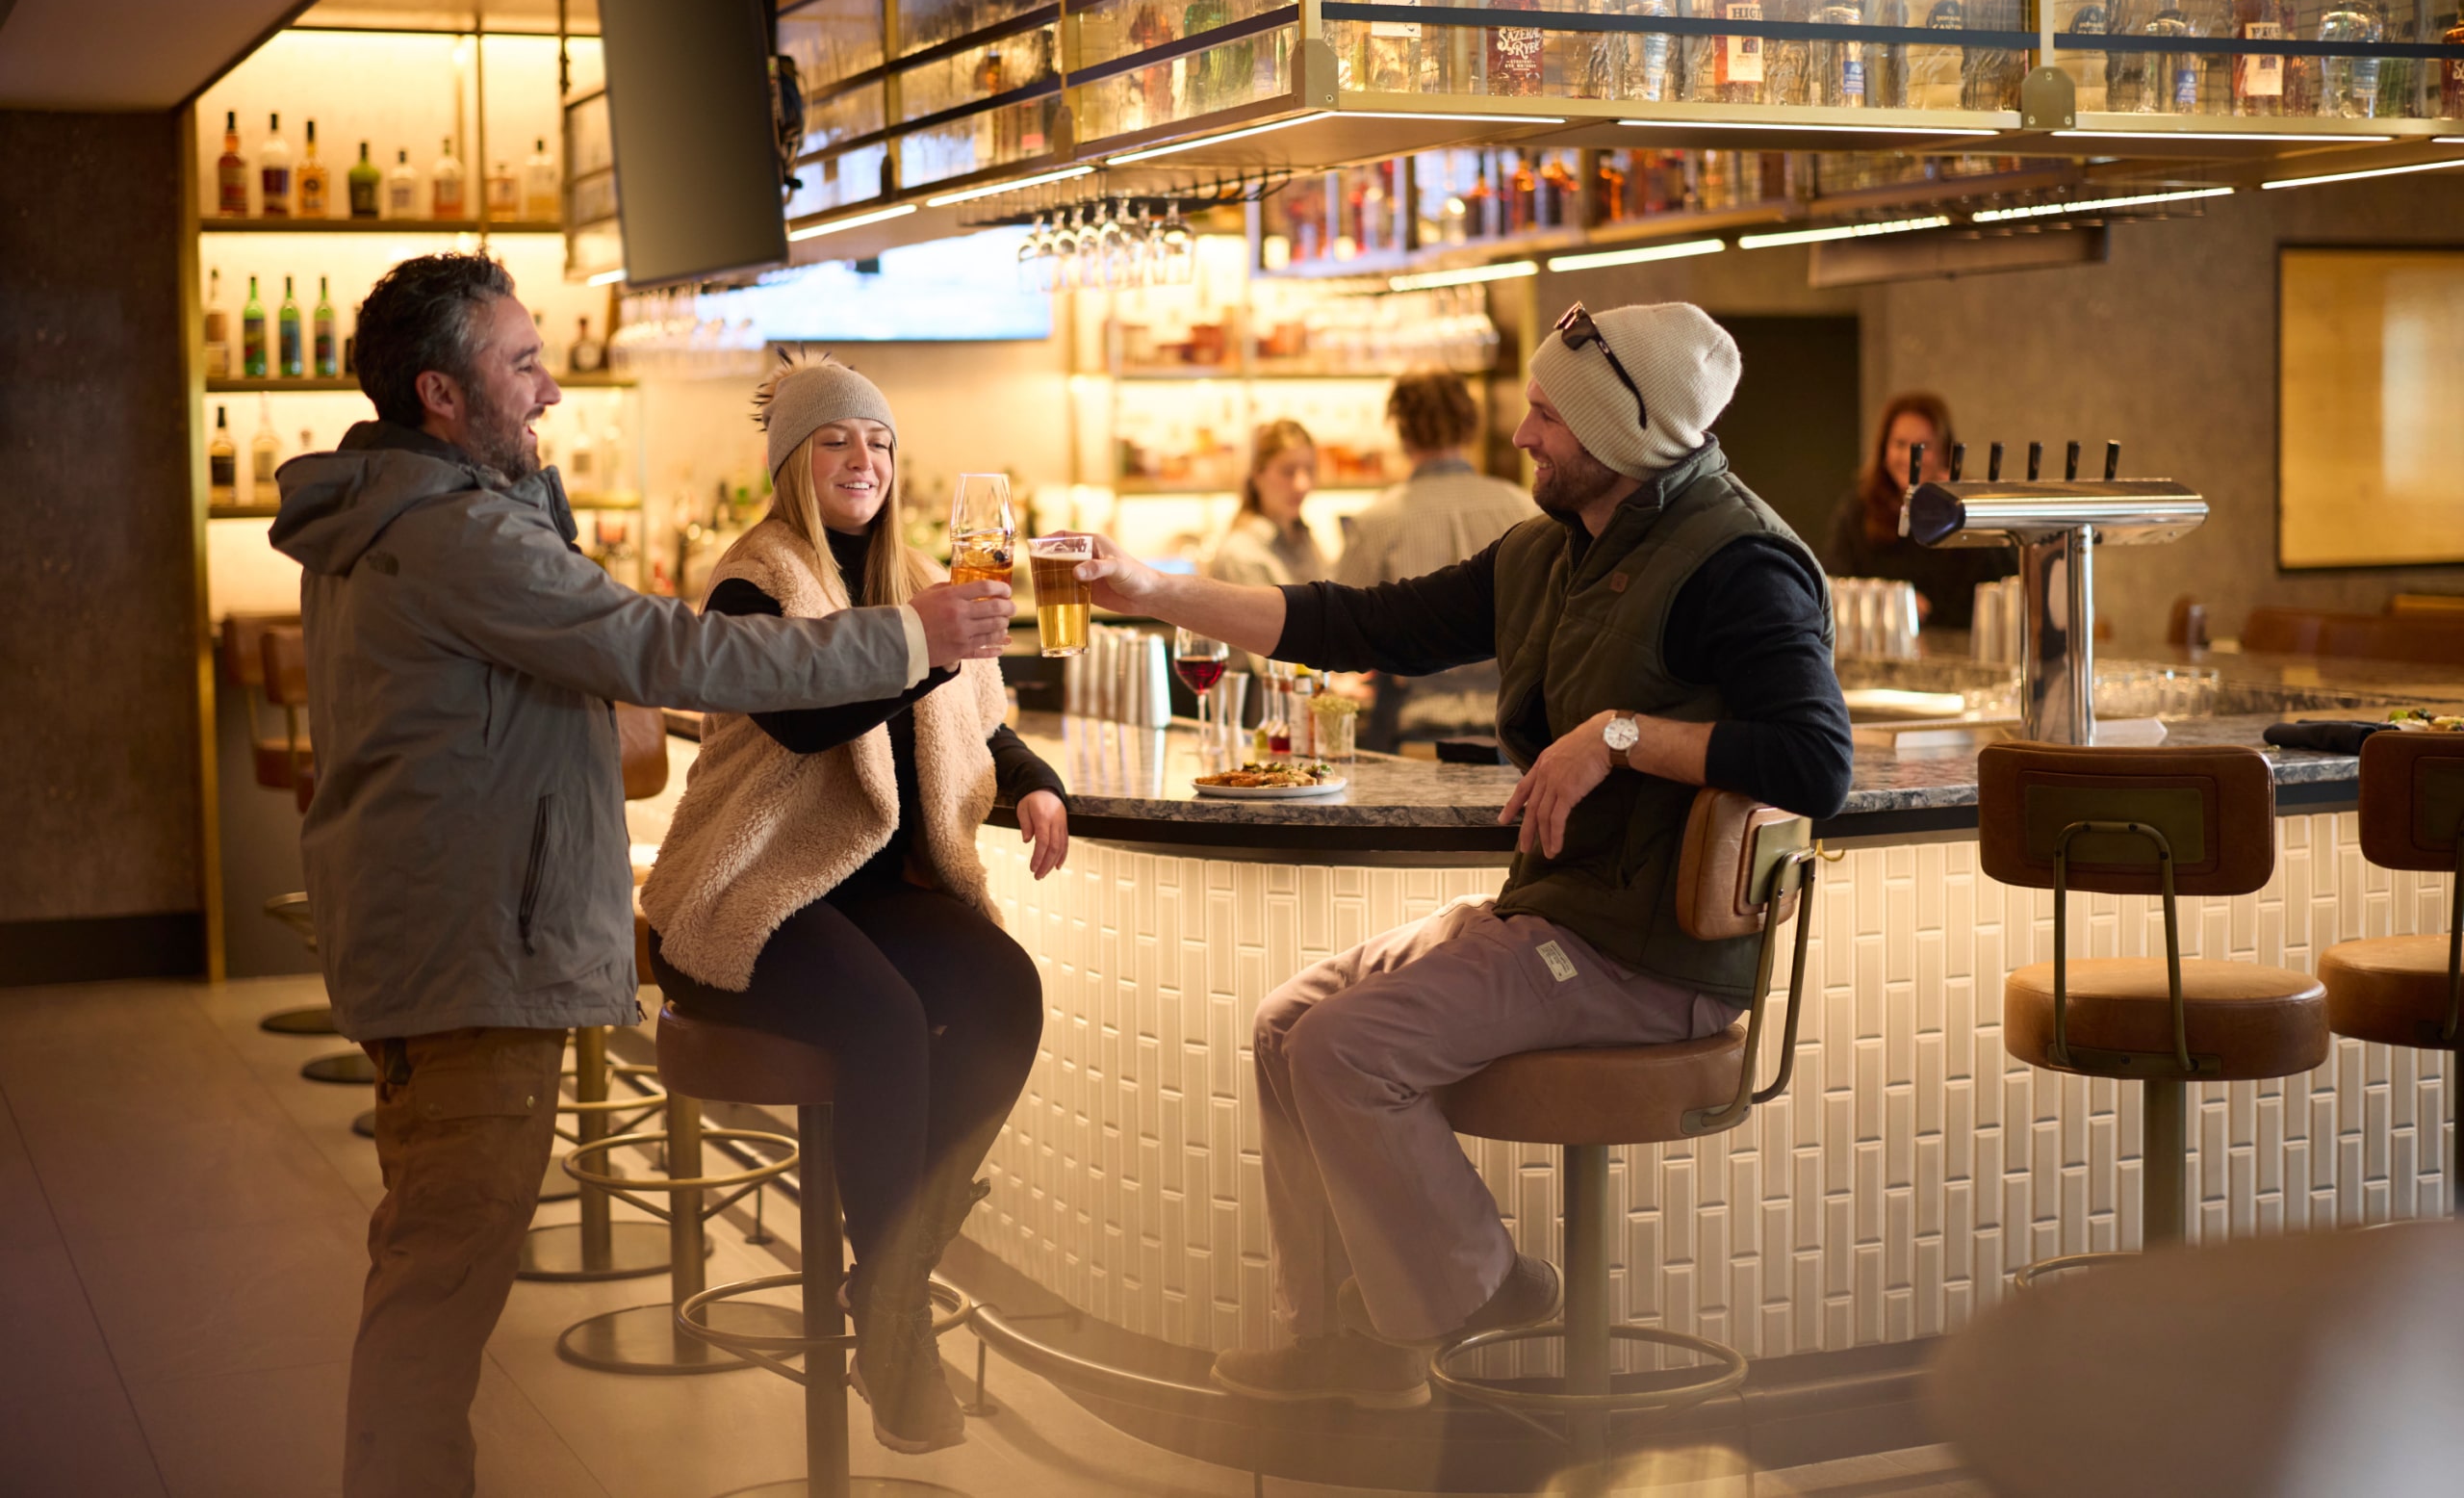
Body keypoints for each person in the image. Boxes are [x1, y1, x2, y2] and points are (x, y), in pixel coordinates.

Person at [268, 254, 1014, 1498]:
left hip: (451, 941)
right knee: (442, 1283)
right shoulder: (452, 535)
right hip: (472, 957)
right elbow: (659, 648)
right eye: (523, 363)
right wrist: (907, 638)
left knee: (432, 1266)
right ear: (440, 396)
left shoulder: (424, 520)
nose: (552, 389)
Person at [1070, 300, 1853, 1408]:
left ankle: (1485, 1292)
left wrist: (1618, 735)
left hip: (1650, 958)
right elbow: (1358, 624)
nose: (1524, 436)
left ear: (1623, 434)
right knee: (1290, 1021)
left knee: (1345, 1050)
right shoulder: (1552, 549)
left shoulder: (1740, 562)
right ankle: (1334, 1338)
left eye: (1547, 415)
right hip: (1559, 918)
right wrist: (1151, 590)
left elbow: (1817, 762)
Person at [641, 356, 1063, 1454]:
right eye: (835, 442)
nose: (862, 460)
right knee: (881, 1021)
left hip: (870, 892)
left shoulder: (916, 576)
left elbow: (980, 721)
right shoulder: (753, 579)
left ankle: (888, 1269)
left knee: (1003, 989)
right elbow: (802, 720)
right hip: (745, 889)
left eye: (877, 443)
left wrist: (1033, 783)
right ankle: (894, 1322)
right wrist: (925, 641)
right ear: (790, 463)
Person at [1336, 370, 1538, 751]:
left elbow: (1345, 629)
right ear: (1469, 425)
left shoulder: (1377, 522)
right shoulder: (1522, 507)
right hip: (1515, 728)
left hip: (1417, 729)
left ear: (1402, 431)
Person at [1820, 390, 2015, 630]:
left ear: (1944, 452)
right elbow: (1834, 584)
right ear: (1884, 450)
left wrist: (1966, 513)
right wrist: (1895, 601)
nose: (1911, 458)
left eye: (1923, 446)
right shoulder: (1859, 508)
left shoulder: (1967, 507)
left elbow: (2005, 579)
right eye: (1900, 444)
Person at [1205, 418, 1328, 590]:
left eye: (1309, 470)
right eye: (1288, 471)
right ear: (1257, 475)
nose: (1303, 484)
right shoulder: (1242, 554)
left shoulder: (1303, 537)